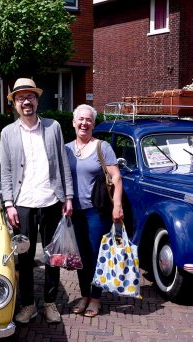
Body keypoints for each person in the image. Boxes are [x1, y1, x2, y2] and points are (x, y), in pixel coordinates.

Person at [0, 77, 74, 324]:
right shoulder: (8, 133)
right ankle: (28, 304)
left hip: (52, 200)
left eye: (30, 96)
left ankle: (50, 303)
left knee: (53, 256)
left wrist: (68, 196)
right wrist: (9, 203)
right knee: (25, 257)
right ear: (14, 104)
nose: (26, 101)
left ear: (37, 99)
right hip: (23, 204)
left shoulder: (53, 127)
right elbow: (6, 171)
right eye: (20, 98)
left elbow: (63, 163)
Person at [65, 105, 123, 318]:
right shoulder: (66, 149)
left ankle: (96, 298)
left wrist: (117, 205)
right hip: (74, 213)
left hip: (95, 212)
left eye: (88, 120)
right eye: (80, 119)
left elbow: (116, 177)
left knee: (97, 256)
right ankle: (84, 295)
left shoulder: (102, 147)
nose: (84, 123)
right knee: (81, 257)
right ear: (73, 122)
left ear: (93, 124)